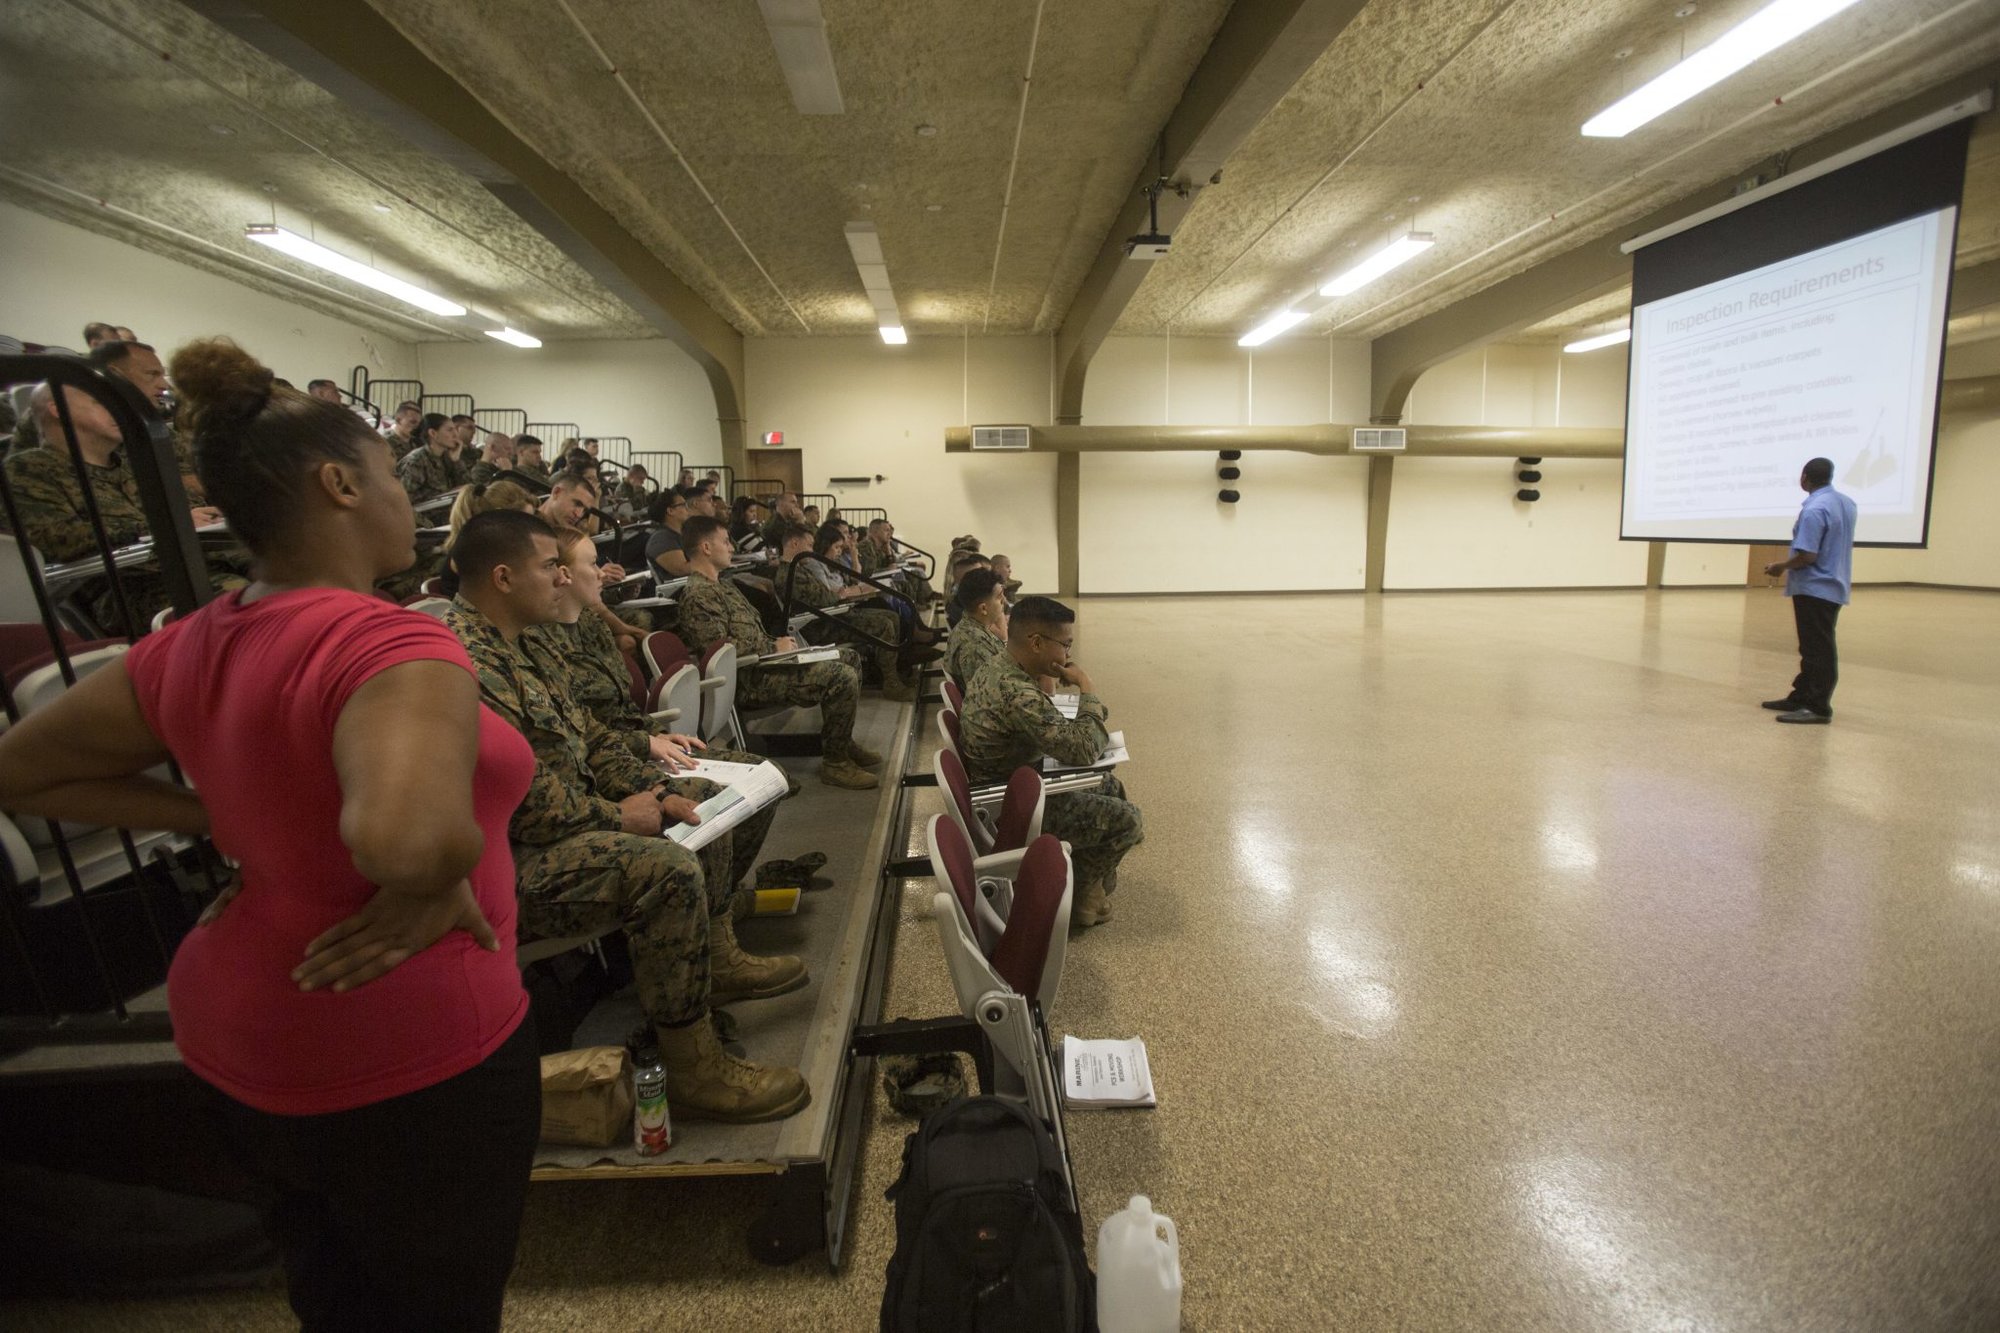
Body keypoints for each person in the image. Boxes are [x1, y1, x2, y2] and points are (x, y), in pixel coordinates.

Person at [0, 338, 543, 1329]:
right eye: (387, 475)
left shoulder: (186, 642)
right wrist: (439, 870)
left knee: (331, 1295)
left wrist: (216, 812)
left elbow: (21, 768)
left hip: (240, 1026)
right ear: (339, 483)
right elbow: (407, 844)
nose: (402, 499)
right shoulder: (392, 639)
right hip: (399, 1040)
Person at [444, 511, 809, 1121]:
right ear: (503, 578)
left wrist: (658, 787)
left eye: (565, 567)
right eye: (548, 567)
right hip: (512, 861)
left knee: (700, 799)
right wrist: (621, 814)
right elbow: (527, 805)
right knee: (663, 868)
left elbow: (587, 735)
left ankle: (713, 959)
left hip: (570, 817)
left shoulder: (527, 639)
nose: (562, 579)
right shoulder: (466, 662)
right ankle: (695, 1064)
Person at [527, 525, 801, 889]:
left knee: (764, 777)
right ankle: (716, 914)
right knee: (715, 800)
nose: (602, 572)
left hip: (635, 744)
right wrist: (645, 743)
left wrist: (654, 734)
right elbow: (582, 732)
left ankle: (722, 896)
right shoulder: (539, 642)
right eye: (592, 564)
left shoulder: (591, 625)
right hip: (610, 764)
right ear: (561, 575)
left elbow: (621, 706)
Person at [959, 596, 1142, 928]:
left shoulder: (1002, 666)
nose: (1068, 656)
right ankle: (1086, 893)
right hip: (1011, 807)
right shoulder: (1016, 693)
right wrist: (1087, 688)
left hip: (1014, 783)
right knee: (1128, 821)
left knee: (1109, 784)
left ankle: (1093, 876)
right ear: (1036, 642)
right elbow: (1084, 748)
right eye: (1065, 645)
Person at [3, 381, 227, 633]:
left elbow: (190, 509)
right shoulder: (28, 470)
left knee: (272, 582)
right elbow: (56, 538)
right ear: (58, 409)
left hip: (196, 564)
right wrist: (162, 525)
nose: (120, 411)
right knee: (246, 601)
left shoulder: (135, 465)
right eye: (101, 402)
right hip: (127, 587)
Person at [677, 515, 880, 790]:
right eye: (725, 541)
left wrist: (777, 646)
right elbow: (719, 652)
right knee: (840, 676)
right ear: (705, 548)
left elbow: (748, 634)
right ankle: (836, 762)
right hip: (749, 678)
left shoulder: (721, 586)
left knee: (849, 658)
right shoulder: (698, 595)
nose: (732, 547)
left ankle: (841, 741)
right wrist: (772, 647)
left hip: (766, 663)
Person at [1762, 456, 1858, 725]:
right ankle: (1801, 695)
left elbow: (1808, 555)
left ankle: (1817, 706)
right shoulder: (1846, 503)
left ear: (1805, 477)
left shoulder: (1815, 509)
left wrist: (1781, 566)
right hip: (1833, 583)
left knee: (1818, 649)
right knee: (1814, 646)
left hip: (1815, 586)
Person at [774, 523, 916, 702]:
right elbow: (824, 598)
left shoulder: (798, 568)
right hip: (820, 626)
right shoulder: (789, 574)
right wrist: (839, 595)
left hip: (830, 616)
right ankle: (891, 683)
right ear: (794, 544)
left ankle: (890, 674)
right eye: (809, 545)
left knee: (891, 616)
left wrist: (838, 595)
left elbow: (826, 596)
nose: (812, 549)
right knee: (884, 625)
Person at [89, 338, 206, 500]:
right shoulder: (93, 431)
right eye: (152, 374)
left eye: (162, 375)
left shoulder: (155, 429)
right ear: (115, 375)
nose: (164, 385)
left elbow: (192, 477)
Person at [944, 567, 1009, 691]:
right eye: (1000, 597)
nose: (1004, 601)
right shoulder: (975, 646)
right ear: (983, 609)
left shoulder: (974, 627)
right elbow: (992, 694)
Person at [396, 413, 469, 503]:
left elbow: (466, 487)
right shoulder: (416, 460)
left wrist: (456, 461)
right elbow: (404, 499)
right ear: (433, 433)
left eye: (455, 430)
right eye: (450, 430)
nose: (456, 435)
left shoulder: (447, 457)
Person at [645, 487, 692, 577]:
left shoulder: (680, 535)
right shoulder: (661, 538)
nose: (688, 509)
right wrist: (712, 561)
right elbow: (682, 570)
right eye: (683, 505)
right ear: (670, 511)